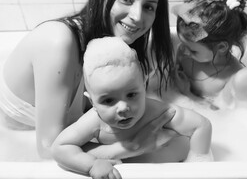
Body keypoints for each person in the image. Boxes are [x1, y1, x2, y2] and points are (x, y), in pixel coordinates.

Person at [0, 0, 176, 158]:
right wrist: (131, 147)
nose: (137, 16)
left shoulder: (119, 46)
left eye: (149, 7)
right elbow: (49, 151)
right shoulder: (58, 42)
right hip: (19, 133)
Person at [51, 37, 213, 179]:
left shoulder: (159, 113)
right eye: (108, 100)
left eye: (131, 95)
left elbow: (201, 125)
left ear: (143, 87)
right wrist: (92, 164)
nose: (123, 107)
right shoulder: (94, 122)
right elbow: (60, 147)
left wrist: (197, 162)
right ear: (92, 102)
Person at [169, 0, 247, 109]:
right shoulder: (184, 52)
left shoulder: (233, 76)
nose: (184, 50)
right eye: (183, 44)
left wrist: (188, 94)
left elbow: (221, 114)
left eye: (193, 50)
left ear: (221, 47)